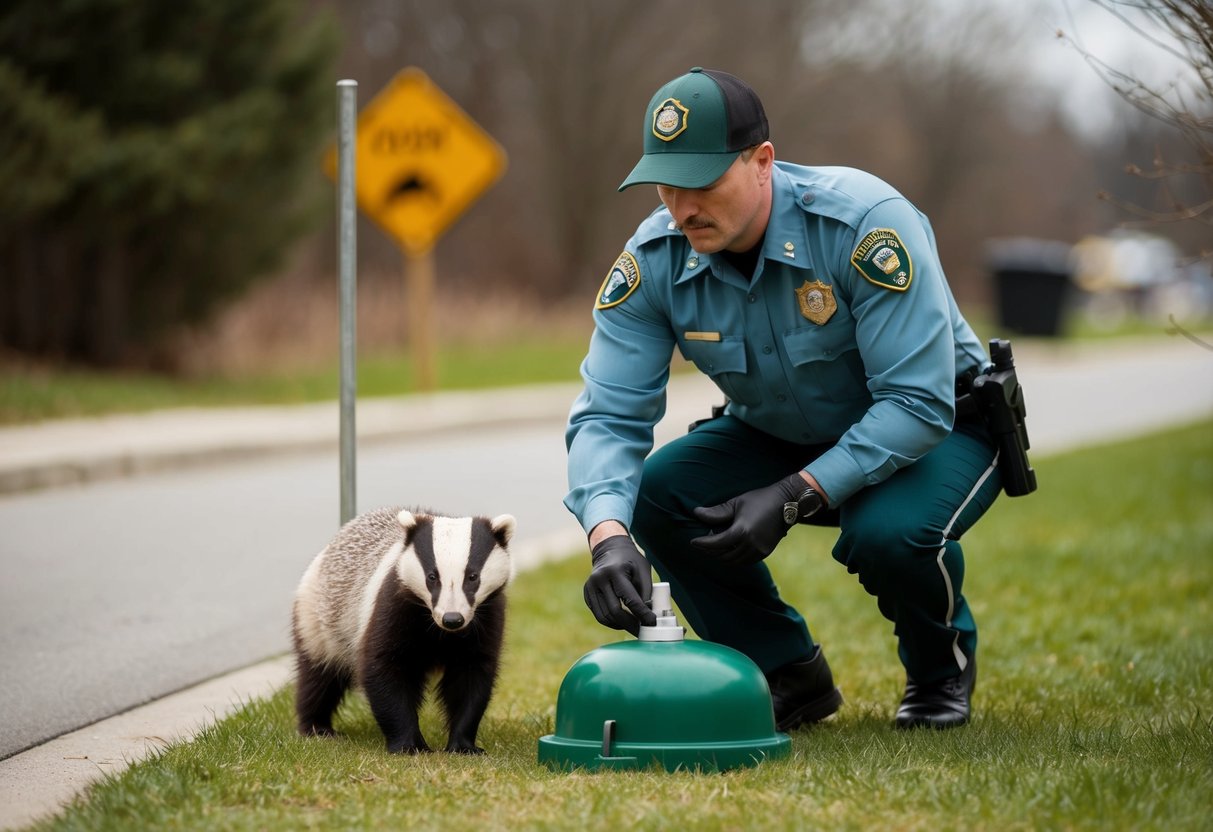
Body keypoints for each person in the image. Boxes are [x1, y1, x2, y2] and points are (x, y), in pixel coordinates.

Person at [564, 67, 1002, 730]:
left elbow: (915, 402)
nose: (682, 208)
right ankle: (785, 674)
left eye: (703, 183)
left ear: (761, 161)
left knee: (886, 533)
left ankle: (938, 672)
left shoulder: (863, 224)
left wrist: (795, 492)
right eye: (666, 186)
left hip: (937, 430)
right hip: (777, 431)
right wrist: (607, 535)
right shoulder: (653, 259)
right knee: (657, 494)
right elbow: (607, 414)